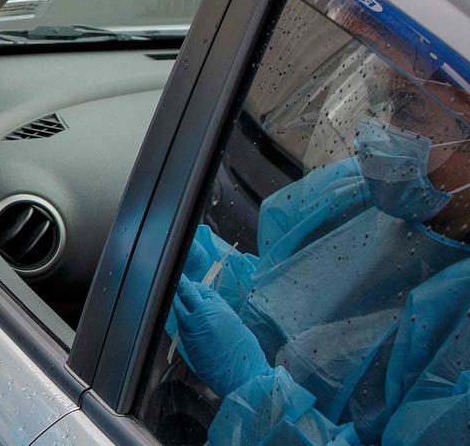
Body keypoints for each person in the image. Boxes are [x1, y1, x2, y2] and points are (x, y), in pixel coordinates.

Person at [170, 84, 470, 444]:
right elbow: (279, 301)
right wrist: (209, 276)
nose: (383, 130)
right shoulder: (367, 194)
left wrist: (252, 389)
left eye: (409, 108)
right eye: (386, 102)